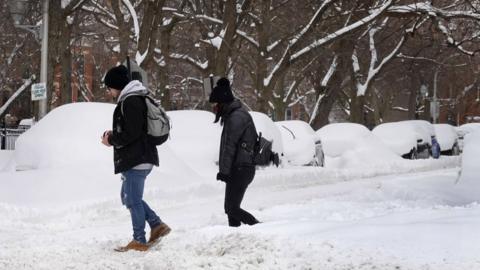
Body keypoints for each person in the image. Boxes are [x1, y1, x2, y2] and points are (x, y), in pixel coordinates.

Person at [101, 65, 170, 252]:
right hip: (139, 156)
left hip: (137, 158)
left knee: (132, 199)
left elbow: (131, 133)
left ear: (116, 85)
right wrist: (113, 134)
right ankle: (157, 225)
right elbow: (133, 129)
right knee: (127, 197)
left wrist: (111, 140)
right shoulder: (132, 99)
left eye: (109, 88)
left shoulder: (131, 101)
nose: (109, 92)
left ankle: (139, 240)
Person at [209, 77, 260, 227]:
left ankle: (260, 228)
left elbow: (229, 146)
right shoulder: (234, 116)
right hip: (238, 168)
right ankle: (236, 234)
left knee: (231, 208)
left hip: (241, 168)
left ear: (223, 102)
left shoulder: (236, 117)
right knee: (230, 209)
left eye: (216, 104)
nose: (214, 108)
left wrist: (224, 171)